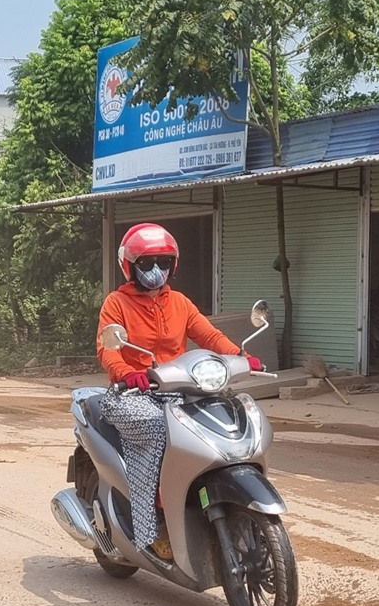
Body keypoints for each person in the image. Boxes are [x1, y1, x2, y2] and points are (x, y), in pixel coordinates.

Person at [95, 223, 262, 557]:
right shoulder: (117, 303)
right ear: (130, 266)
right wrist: (127, 373)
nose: (156, 270)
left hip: (180, 389)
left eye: (163, 262)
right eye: (147, 263)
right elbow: (106, 348)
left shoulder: (180, 303)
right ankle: (151, 525)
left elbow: (209, 336)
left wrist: (239, 356)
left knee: (225, 414)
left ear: (174, 264)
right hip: (133, 394)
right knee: (157, 430)